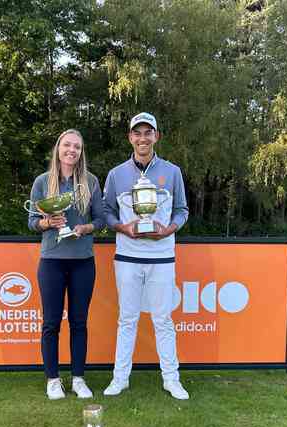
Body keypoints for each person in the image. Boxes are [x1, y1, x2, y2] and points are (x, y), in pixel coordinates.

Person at [102, 112, 190, 400]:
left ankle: (171, 379)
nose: (142, 138)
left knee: (163, 319)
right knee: (127, 319)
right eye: (137, 133)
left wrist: (170, 229)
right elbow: (106, 211)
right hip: (127, 256)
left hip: (162, 256)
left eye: (147, 133)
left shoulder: (172, 171)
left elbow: (182, 210)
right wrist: (121, 226)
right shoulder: (117, 174)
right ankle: (120, 378)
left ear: (156, 136)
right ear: (130, 137)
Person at [28, 129, 106, 400]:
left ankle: (78, 378)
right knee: (50, 323)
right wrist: (47, 223)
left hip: (83, 262)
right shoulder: (42, 182)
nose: (72, 150)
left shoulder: (91, 181)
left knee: (79, 322)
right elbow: (31, 222)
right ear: (58, 148)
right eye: (67, 145)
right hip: (51, 262)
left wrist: (85, 227)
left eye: (77, 147)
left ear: (81, 152)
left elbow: (101, 219)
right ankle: (52, 379)